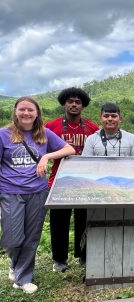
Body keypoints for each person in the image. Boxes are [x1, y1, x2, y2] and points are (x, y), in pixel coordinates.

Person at [0, 97, 75, 294]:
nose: (26, 113)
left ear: (37, 113)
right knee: (13, 237)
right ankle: (14, 262)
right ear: (15, 112)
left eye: (30, 110)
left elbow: (69, 149)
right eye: (22, 109)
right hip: (10, 192)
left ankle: (23, 278)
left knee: (31, 237)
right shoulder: (3, 135)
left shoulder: (44, 133)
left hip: (38, 192)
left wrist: (46, 156)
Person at [46, 87, 99, 272]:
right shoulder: (51, 127)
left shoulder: (92, 128)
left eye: (78, 102)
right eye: (70, 101)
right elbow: (41, 151)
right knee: (59, 222)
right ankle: (59, 260)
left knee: (84, 221)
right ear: (64, 103)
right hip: (59, 181)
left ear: (83, 106)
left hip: (85, 181)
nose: (74, 104)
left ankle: (84, 256)